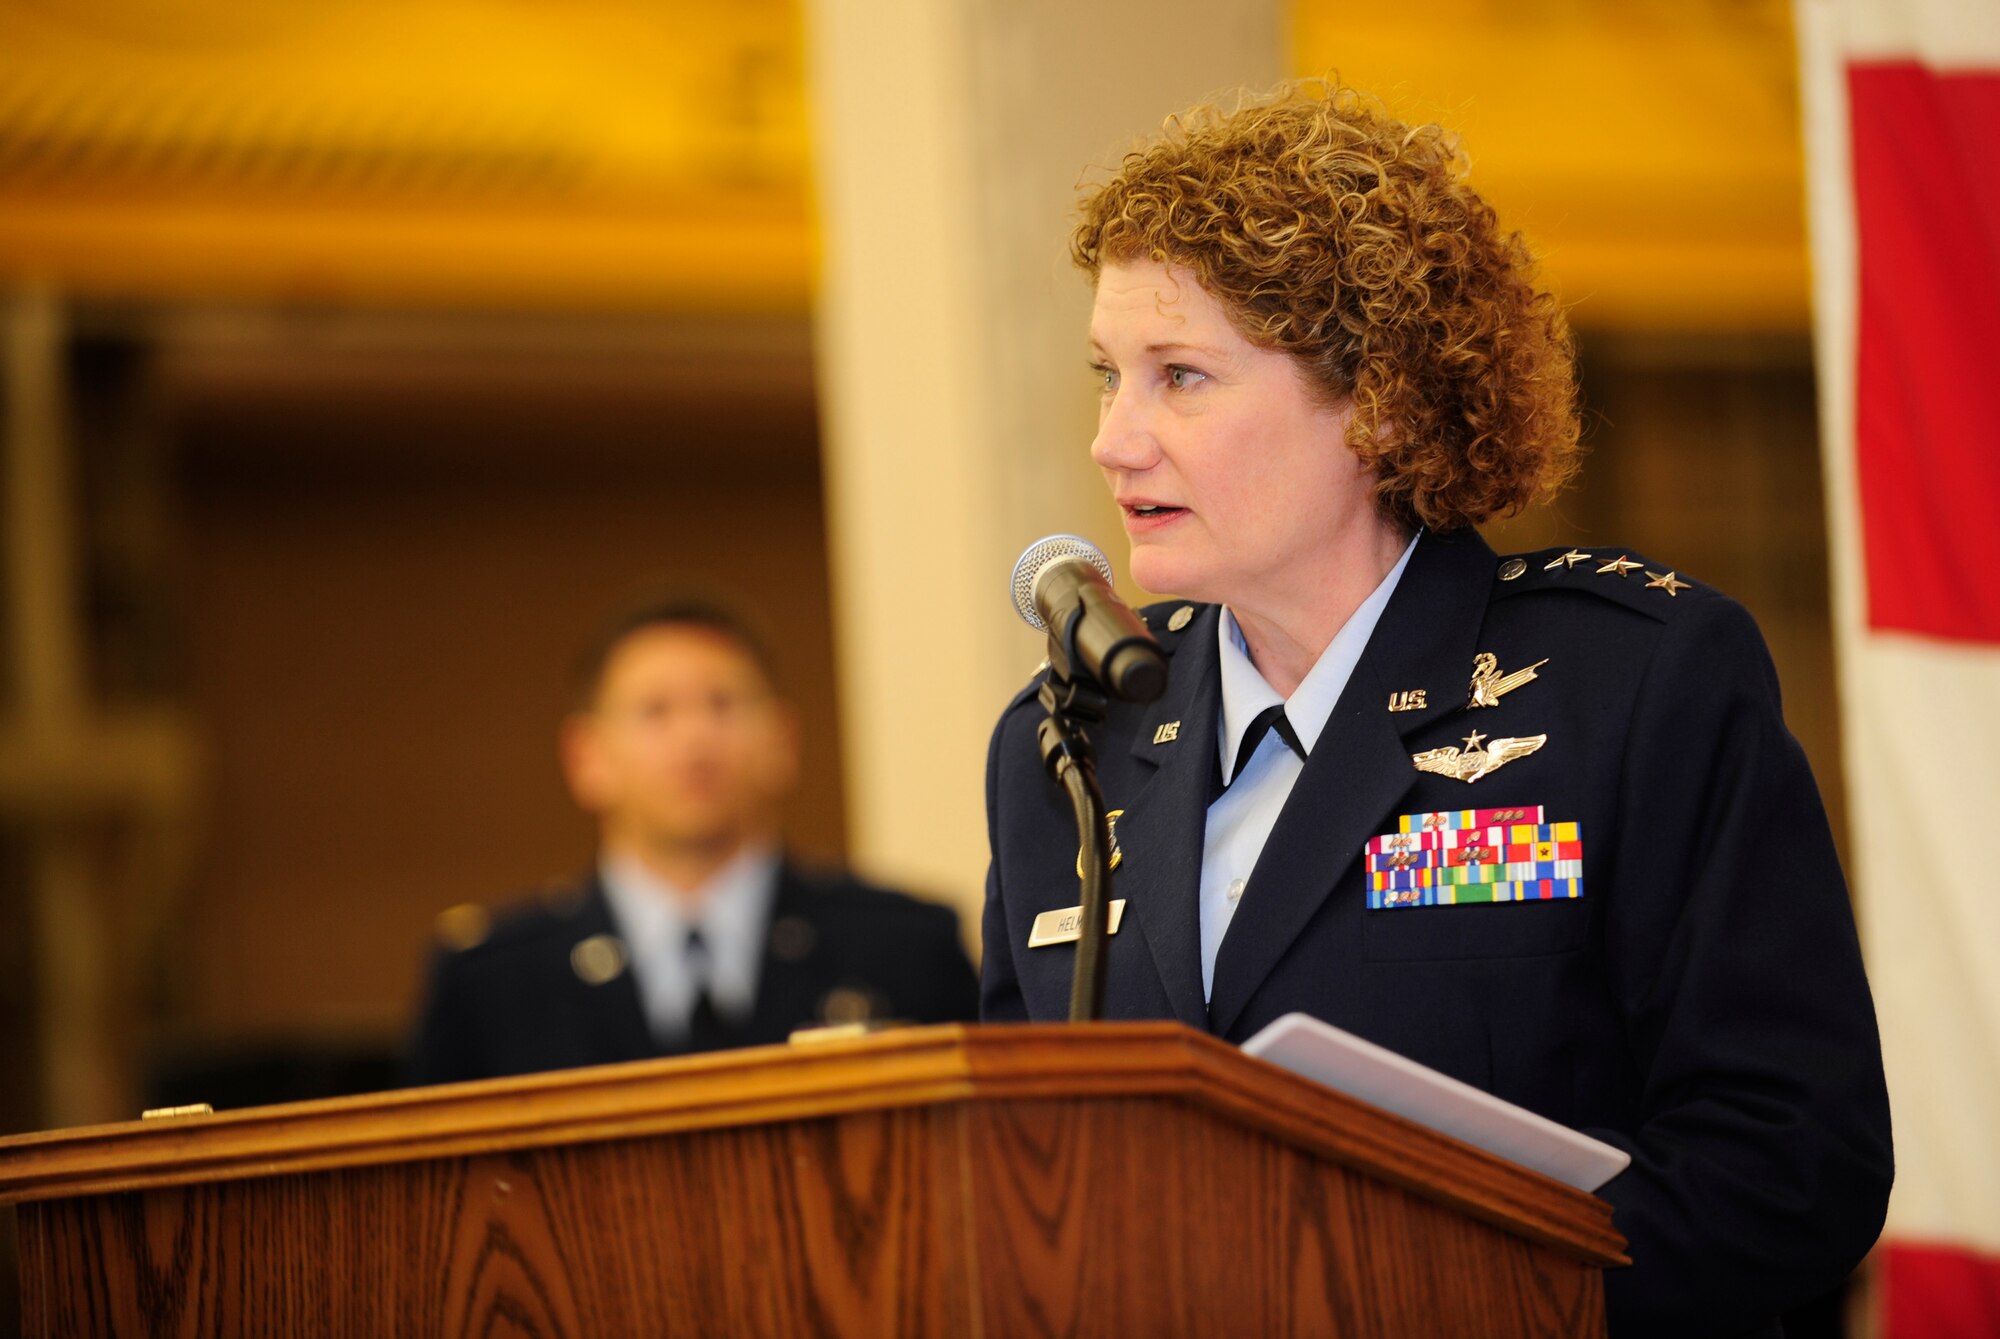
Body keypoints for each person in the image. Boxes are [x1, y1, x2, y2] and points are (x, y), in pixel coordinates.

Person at [979, 83, 1891, 1338]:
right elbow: (1007, 1180)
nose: (1113, 441)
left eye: (1179, 377)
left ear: (1385, 403)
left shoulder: (1631, 685)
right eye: (1107, 377)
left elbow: (1788, 1161)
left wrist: (1440, 1301)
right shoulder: (1066, 748)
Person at [411, 594, 978, 1085]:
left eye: (723, 705)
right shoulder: (494, 982)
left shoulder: (904, 946)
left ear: (783, 741)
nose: (694, 739)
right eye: (655, 712)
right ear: (586, 757)